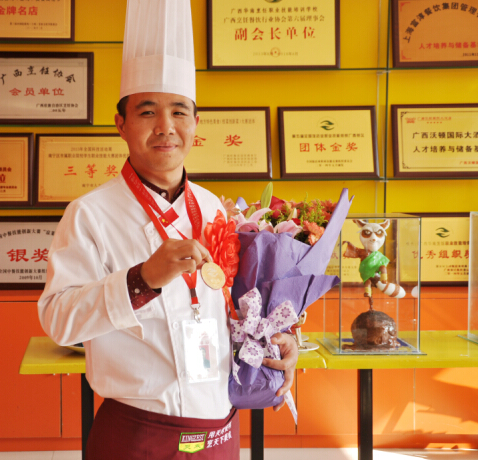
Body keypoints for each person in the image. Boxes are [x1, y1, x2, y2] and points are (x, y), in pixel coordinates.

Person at [38, 1, 298, 458]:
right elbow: (58, 320)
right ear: (121, 124)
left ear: (196, 124)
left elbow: (239, 306)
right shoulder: (88, 214)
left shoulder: (215, 207)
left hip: (219, 429)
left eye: (179, 112)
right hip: (137, 433)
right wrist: (141, 280)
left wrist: (281, 338)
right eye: (146, 112)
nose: (165, 127)